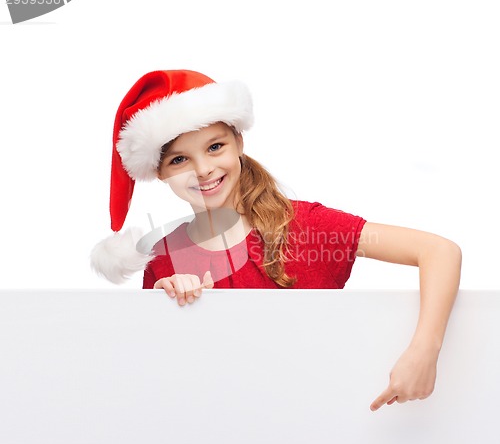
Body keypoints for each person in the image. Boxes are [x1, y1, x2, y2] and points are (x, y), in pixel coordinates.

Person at [91, 69, 462, 412]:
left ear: (238, 141)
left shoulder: (308, 226)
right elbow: (161, 379)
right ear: (159, 172)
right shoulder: (164, 260)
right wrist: (171, 301)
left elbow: (437, 251)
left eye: (215, 147)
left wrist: (423, 351)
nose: (203, 169)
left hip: (320, 415)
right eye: (179, 160)